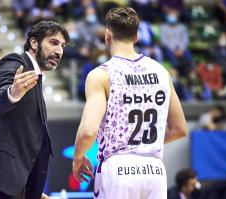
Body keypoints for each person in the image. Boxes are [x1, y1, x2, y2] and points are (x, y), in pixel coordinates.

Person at [72, 7, 187, 199]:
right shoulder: (161, 72)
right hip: (155, 169)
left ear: (108, 35)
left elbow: (88, 132)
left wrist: (77, 158)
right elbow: (179, 129)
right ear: (136, 37)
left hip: (118, 167)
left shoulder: (102, 74)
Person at [0, 21, 69, 199]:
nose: (59, 51)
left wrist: (28, 189)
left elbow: (24, 142)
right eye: (53, 42)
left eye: (63, 46)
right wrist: (12, 93)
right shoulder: (14, 62)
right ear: (34, 43)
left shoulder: (35, 78)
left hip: (9, 186)